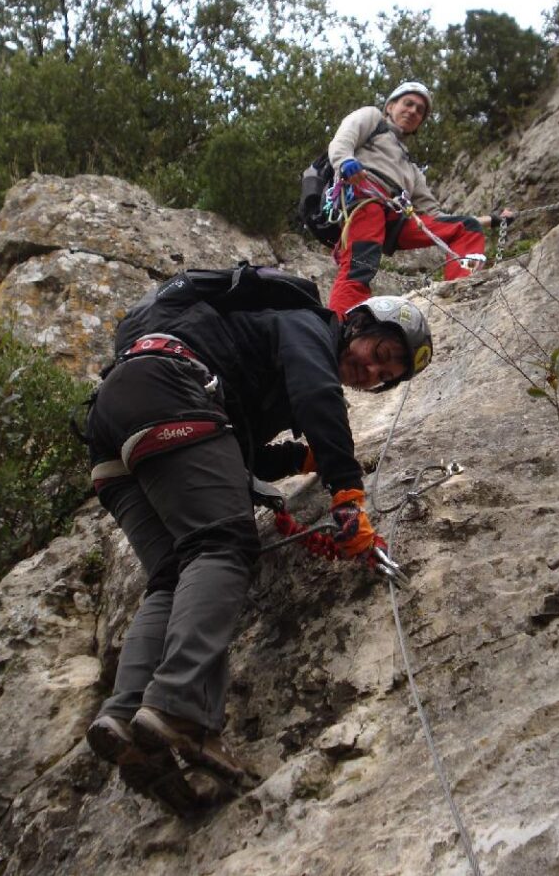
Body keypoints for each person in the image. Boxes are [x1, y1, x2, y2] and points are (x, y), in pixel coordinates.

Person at [84, 283, 433, 811]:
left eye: (386, 377)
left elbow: (234, 451)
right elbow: (318, 395)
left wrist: (299, 460)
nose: (373, 372)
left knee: (173, 574)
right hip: (168, 386)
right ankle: (181, 707)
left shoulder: (253, 356)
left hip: (114, 422)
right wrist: (346, 491)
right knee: (223, 544)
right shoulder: (308, 325)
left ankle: (125, 718)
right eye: (380, 355)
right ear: (358, 324)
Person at [326, 81, 513, 318]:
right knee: (359, 267)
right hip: (363, 200)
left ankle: (462, 290)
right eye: (408, 103)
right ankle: (340, 328)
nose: (413, 111)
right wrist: (345, 163)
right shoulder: (372, 118)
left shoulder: (411, 169)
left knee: (465, 228)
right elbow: (342, 140)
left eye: (420, 110)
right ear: (390, 106)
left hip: (394, 216)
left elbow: (436, 218)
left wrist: (494, 219)